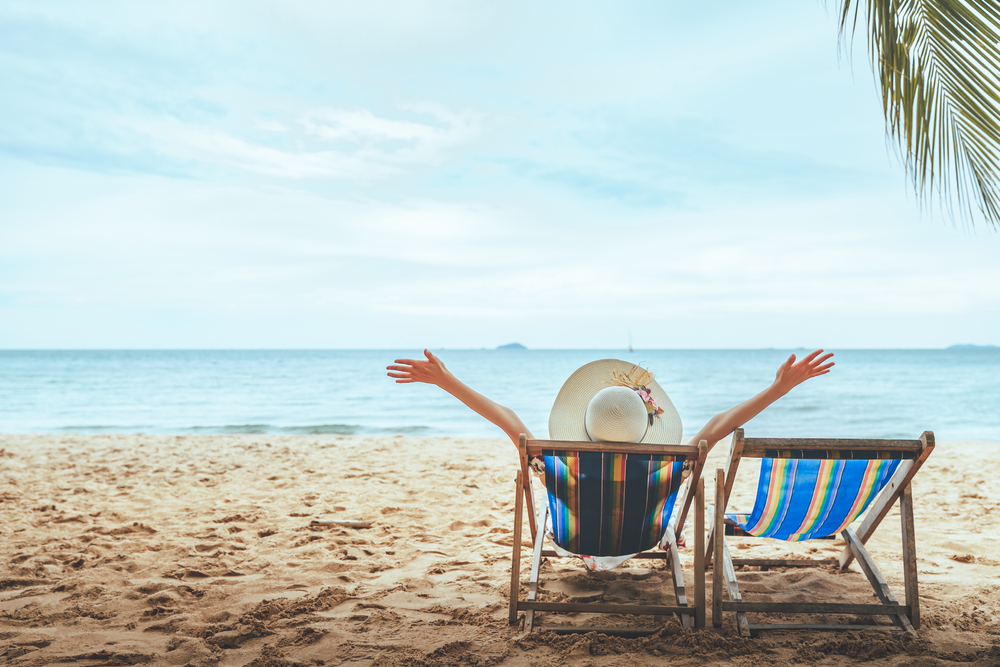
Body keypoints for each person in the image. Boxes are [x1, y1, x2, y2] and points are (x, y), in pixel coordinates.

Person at [386, 349, 834, 570]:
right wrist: (779, 389)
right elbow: (719, 424)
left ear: (583, 423)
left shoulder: (557, 463)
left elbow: (507, 420)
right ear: (647, 426)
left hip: (574, 538)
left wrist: (447, 381)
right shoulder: (673, 465)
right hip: (640, 535)